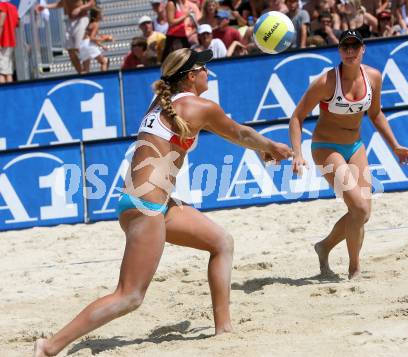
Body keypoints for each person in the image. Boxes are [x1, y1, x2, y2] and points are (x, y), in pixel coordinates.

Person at [33, 48, 293, 357]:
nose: (208, 72)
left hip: (149, 203)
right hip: (147, 207)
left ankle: (224, 330)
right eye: (204, 68)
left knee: (221, 242)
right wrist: (271, 146)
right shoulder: (199, 106)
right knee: (129, 296)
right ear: (191, 76)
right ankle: (49, 347)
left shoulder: (162, 104)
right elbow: (240, 133)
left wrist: (259, 148)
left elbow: (232, 136)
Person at [289, 30, 408, 279]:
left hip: (355, 146)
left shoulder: (374, 77)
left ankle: (324, 246)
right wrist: (297, 153)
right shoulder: (326, 82)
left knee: (363, 213)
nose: (349, 51)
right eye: (344, 47)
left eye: (354, 46)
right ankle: (354, 269)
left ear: (363, 49)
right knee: (358, 208)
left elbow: (376, 114)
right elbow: (297, 117)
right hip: (326, 147)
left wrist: (395, 146)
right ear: (339, 51)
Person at [36, 0, 96, 74]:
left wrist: (80, 8)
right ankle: (81, 72)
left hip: (81, 18)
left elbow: (92, 3)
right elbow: (61, 3)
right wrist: (45, 7)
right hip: (70, 21)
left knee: (80, 46)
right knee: (70, 50)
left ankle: (86, 71)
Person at [79, 7, 110, 73]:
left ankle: (84, 82)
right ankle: (104, 80)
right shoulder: (96, 24)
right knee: (104, 62)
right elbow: (92, 38)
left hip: (82, 45)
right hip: (88, 44)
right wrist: (104, 39)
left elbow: (90, 38)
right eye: (100, 14)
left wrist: (102, 46)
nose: (102, 15)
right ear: (96, 16)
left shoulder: (89, 24)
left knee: (85, 70)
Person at [0, 0, 19, 84]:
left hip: (2, 41)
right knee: (8, 72)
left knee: (1, 72)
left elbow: (1, 22)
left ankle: (4, 96)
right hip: (11, 42)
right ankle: (10, 95)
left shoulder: (1, 5)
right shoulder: (14, 8)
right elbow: (17, 24)